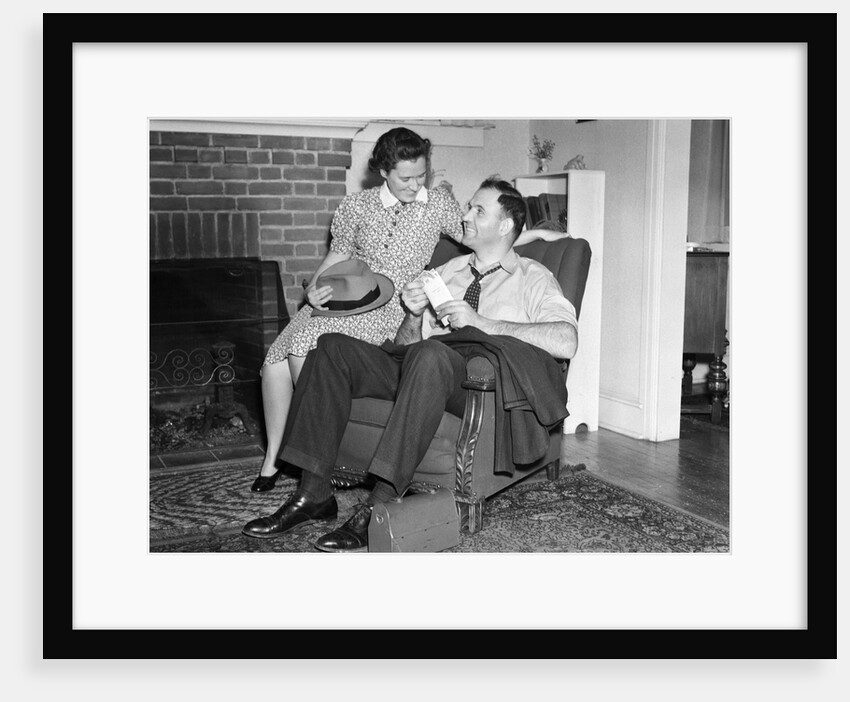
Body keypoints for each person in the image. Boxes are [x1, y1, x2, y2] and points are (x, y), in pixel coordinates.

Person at [242, 177, 579, 551]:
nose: (464, 216)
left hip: (477, 385)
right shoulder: (447, 271)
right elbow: (407, 346)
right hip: (423, 368)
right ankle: (314, 493)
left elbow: (567, 340)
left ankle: (381, 500)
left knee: (431, 354)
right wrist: (413, 316)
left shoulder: (533, 278)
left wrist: (481, 322)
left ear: (504, 226)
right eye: (468, 206)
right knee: (332, 346)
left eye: (477, 210)